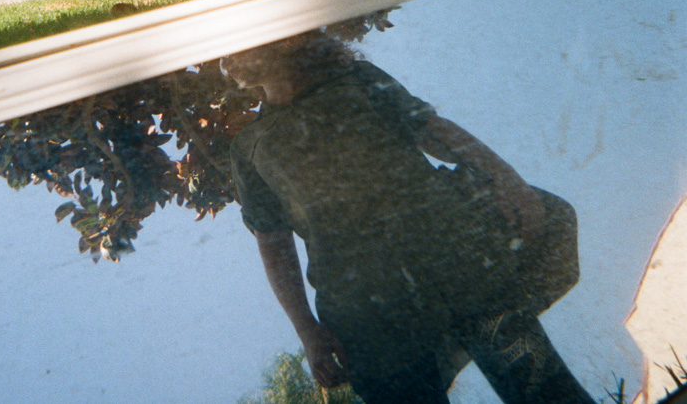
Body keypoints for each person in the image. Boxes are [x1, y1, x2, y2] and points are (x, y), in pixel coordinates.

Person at [222, 33, 596, 404]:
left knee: (547, 393)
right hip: (370, 317)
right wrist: (308, 331)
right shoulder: (250, 146)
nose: (225, 63)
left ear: (280, 38)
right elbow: (273, 242)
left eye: (234, 46)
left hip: (461, 269)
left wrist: (508, 181)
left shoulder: (355, 79)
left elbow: (432, 130)